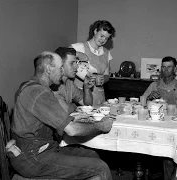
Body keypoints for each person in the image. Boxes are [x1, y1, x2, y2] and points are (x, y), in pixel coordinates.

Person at [10, 51, 113, 180]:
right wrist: (102, 125)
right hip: (33, 157)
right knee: (101, 167)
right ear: (48, 69)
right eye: (60, 68)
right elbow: (72, 130)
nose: (62, 72)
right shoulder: (39, 93)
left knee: (92, 155)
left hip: (41, 149)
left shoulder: (32, 87)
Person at [71, 20, 116, 105]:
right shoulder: (79, 47)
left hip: (99, 95)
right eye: (102, 36)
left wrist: (103, 79)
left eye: (106, 38)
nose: (103, 40)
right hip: (81, 96)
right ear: (95, 31)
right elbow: (62, 54)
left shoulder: (107, 53)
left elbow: (107, 75)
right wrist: (76, 53)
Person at [52, 47, 94, 113]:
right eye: (72, 63)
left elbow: (87, 105)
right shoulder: (53, 86)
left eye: (76, 62)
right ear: (60, 65)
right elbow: (65, 111)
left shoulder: (69, 83)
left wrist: (86, 88)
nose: (76, 66)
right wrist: (74, 106)